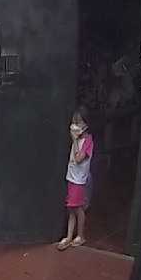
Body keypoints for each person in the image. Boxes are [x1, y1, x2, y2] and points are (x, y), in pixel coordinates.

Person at [59, 107, 95, 251]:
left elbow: (79, 159)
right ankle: (69, 236)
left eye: (78, 122)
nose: (75, 125)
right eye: (74, 122)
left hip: (79, 180)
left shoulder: (88, 141)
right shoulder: (78, 140)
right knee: (71, 208)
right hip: (71, 177)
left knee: (78, 208)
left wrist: (74, 141)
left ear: (86, 124)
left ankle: (80, 235)